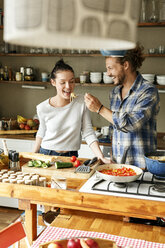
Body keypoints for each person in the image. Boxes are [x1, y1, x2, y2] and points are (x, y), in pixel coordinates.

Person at [84, 44, 160, 168]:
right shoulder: (114, 93)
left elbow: (131, 125)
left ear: (125, 65)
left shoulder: (148, 91)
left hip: (141, 169)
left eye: (110, 68)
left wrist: (99, 109)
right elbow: (115, 127)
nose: (108, 74)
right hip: (117, 167)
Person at [33, 59, 109, 163]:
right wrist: (33, 155)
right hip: (47, 154)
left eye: (72, 81)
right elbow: (41, 131)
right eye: (62, 82)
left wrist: (101, 157)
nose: (68, 86)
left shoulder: (81, 102)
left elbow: (88, 132)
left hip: (72, 156)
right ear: (53, 82)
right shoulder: (42, 107)